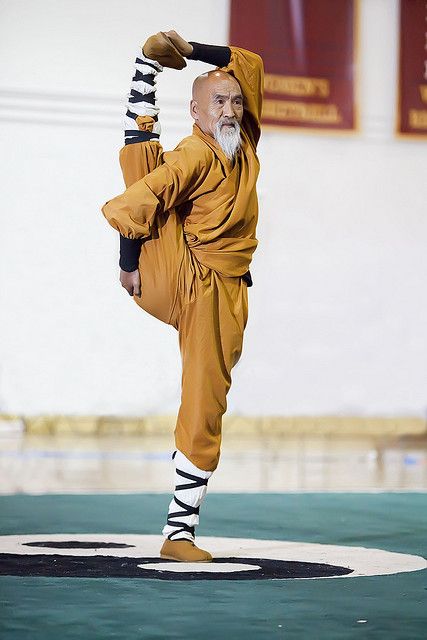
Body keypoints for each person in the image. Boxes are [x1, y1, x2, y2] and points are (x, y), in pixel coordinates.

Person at [101, 30, 263, 562]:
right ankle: (179, 535)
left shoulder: (244, 141)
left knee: (145, 165)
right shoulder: (196, 150)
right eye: (219, 101)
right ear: (194, 110)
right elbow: (137, 202)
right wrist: (129, 266)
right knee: (204, 397)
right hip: (188, 279)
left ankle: (143, 68)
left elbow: (249, 61)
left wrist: (187, 51)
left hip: (229, 283)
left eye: (236, 100)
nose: (231, 108)